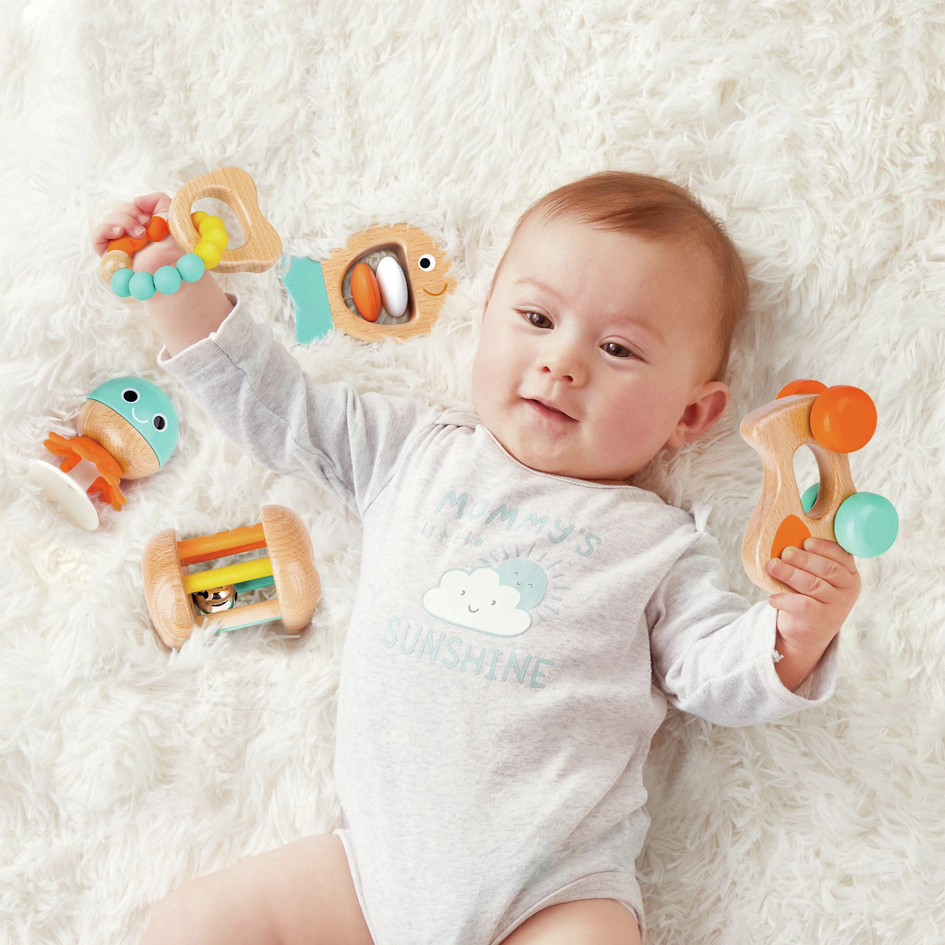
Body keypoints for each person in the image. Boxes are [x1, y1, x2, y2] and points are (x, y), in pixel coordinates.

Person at [94, 171, 860, 945]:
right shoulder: (412, 451)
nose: (562, 362)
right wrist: (178, 293)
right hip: (373, 876)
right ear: (487, 318)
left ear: (689, 413)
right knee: (192, 923)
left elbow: (709, 670)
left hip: (553, 891)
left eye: (618, 348)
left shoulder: (656, 544)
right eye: (536, 318)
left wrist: (792, 634)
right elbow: (280, 411)